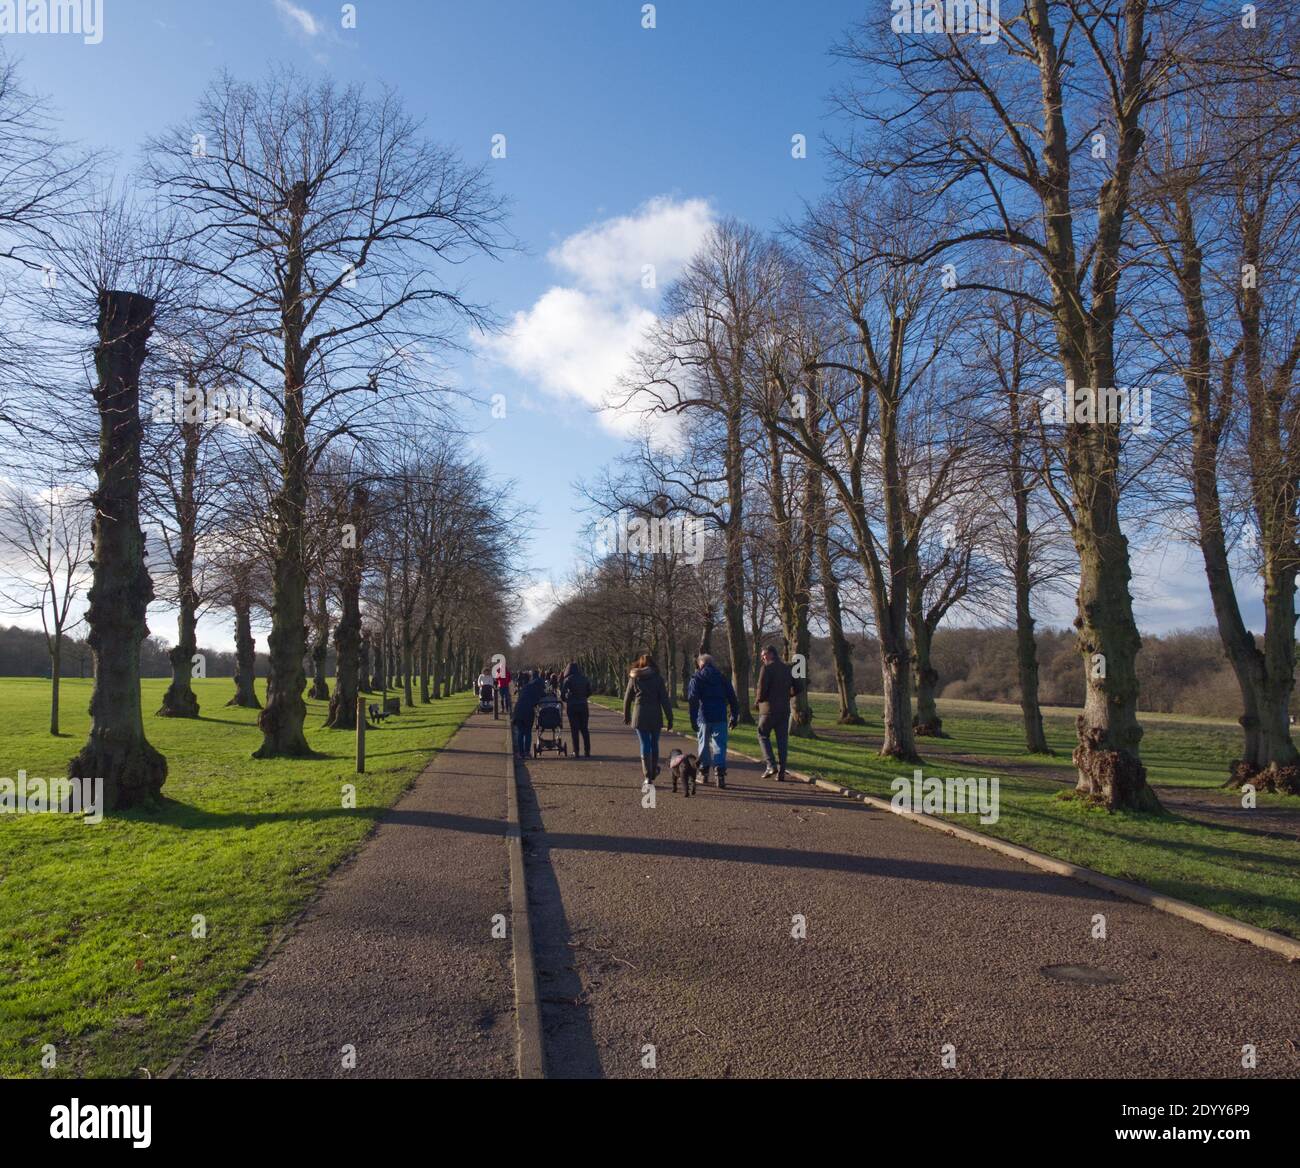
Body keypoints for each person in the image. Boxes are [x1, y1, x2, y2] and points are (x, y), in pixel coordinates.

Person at [687, 653, 739, 789]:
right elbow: (732, 698)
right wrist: (734, 716)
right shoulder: (722, 678)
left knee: (703, 744)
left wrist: (693, 718)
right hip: (720, 715)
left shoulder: (696, 678)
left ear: (700, 664)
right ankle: (720, 774)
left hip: (704, 716)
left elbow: (693, 700)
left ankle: (703, 773)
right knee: (720, 745)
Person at [623, 653, 673, 786]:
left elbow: (627, 698)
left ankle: (647, 775)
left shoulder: (635, 677)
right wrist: (670, 718)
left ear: (640, 664)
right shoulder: (658, 678)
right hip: (655, 715)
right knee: (654, 743)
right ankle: (653, 770)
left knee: (644, 743)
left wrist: (626, 715)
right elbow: (664, 700)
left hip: (640, 715)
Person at [755, 644, 798, 782]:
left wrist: (758, 701)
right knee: (782, 741)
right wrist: (788, 695)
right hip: (784, 710)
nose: (763, 658)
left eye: (764, 655)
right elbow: (799, 687)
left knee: (762, 734)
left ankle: (771, 765)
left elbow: (761, 689)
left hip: (768, 710)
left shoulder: (766, 668)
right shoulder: (788, 668)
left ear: (771, 654)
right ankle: (781, 773)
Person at [560, 661, 592, 758]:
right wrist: (583, 697)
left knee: (574, 729)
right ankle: (587, 751)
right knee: (584, 729)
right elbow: (590, 692)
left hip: (572, 706)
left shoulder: (568, 679)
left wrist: (567, 699)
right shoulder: (584, 679)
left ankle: (576, 751)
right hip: (583, 705)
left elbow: (562, 694)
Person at [512, 670, 545, 759]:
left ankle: (520, 753)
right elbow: (542, 697)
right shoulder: (538, 689)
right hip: (528, 711)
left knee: (520, 732)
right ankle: (527, 752)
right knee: (527, 732)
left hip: (518, 710)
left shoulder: (526, 687)